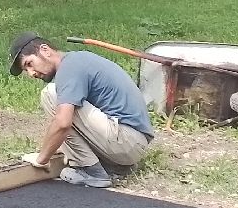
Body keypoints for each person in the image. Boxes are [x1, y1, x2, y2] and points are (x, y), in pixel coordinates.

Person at [8, 32, 154, 187]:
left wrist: (41, 159)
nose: (31, 73)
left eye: (29, 64)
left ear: (45, 50)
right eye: (26, 70)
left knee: (51, 95)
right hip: (133, 142)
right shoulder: (77, 61)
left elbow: (63, 124)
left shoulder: (69, 68)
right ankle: (115, 166)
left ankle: (92, 172)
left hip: (127, 140)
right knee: (63, 104)